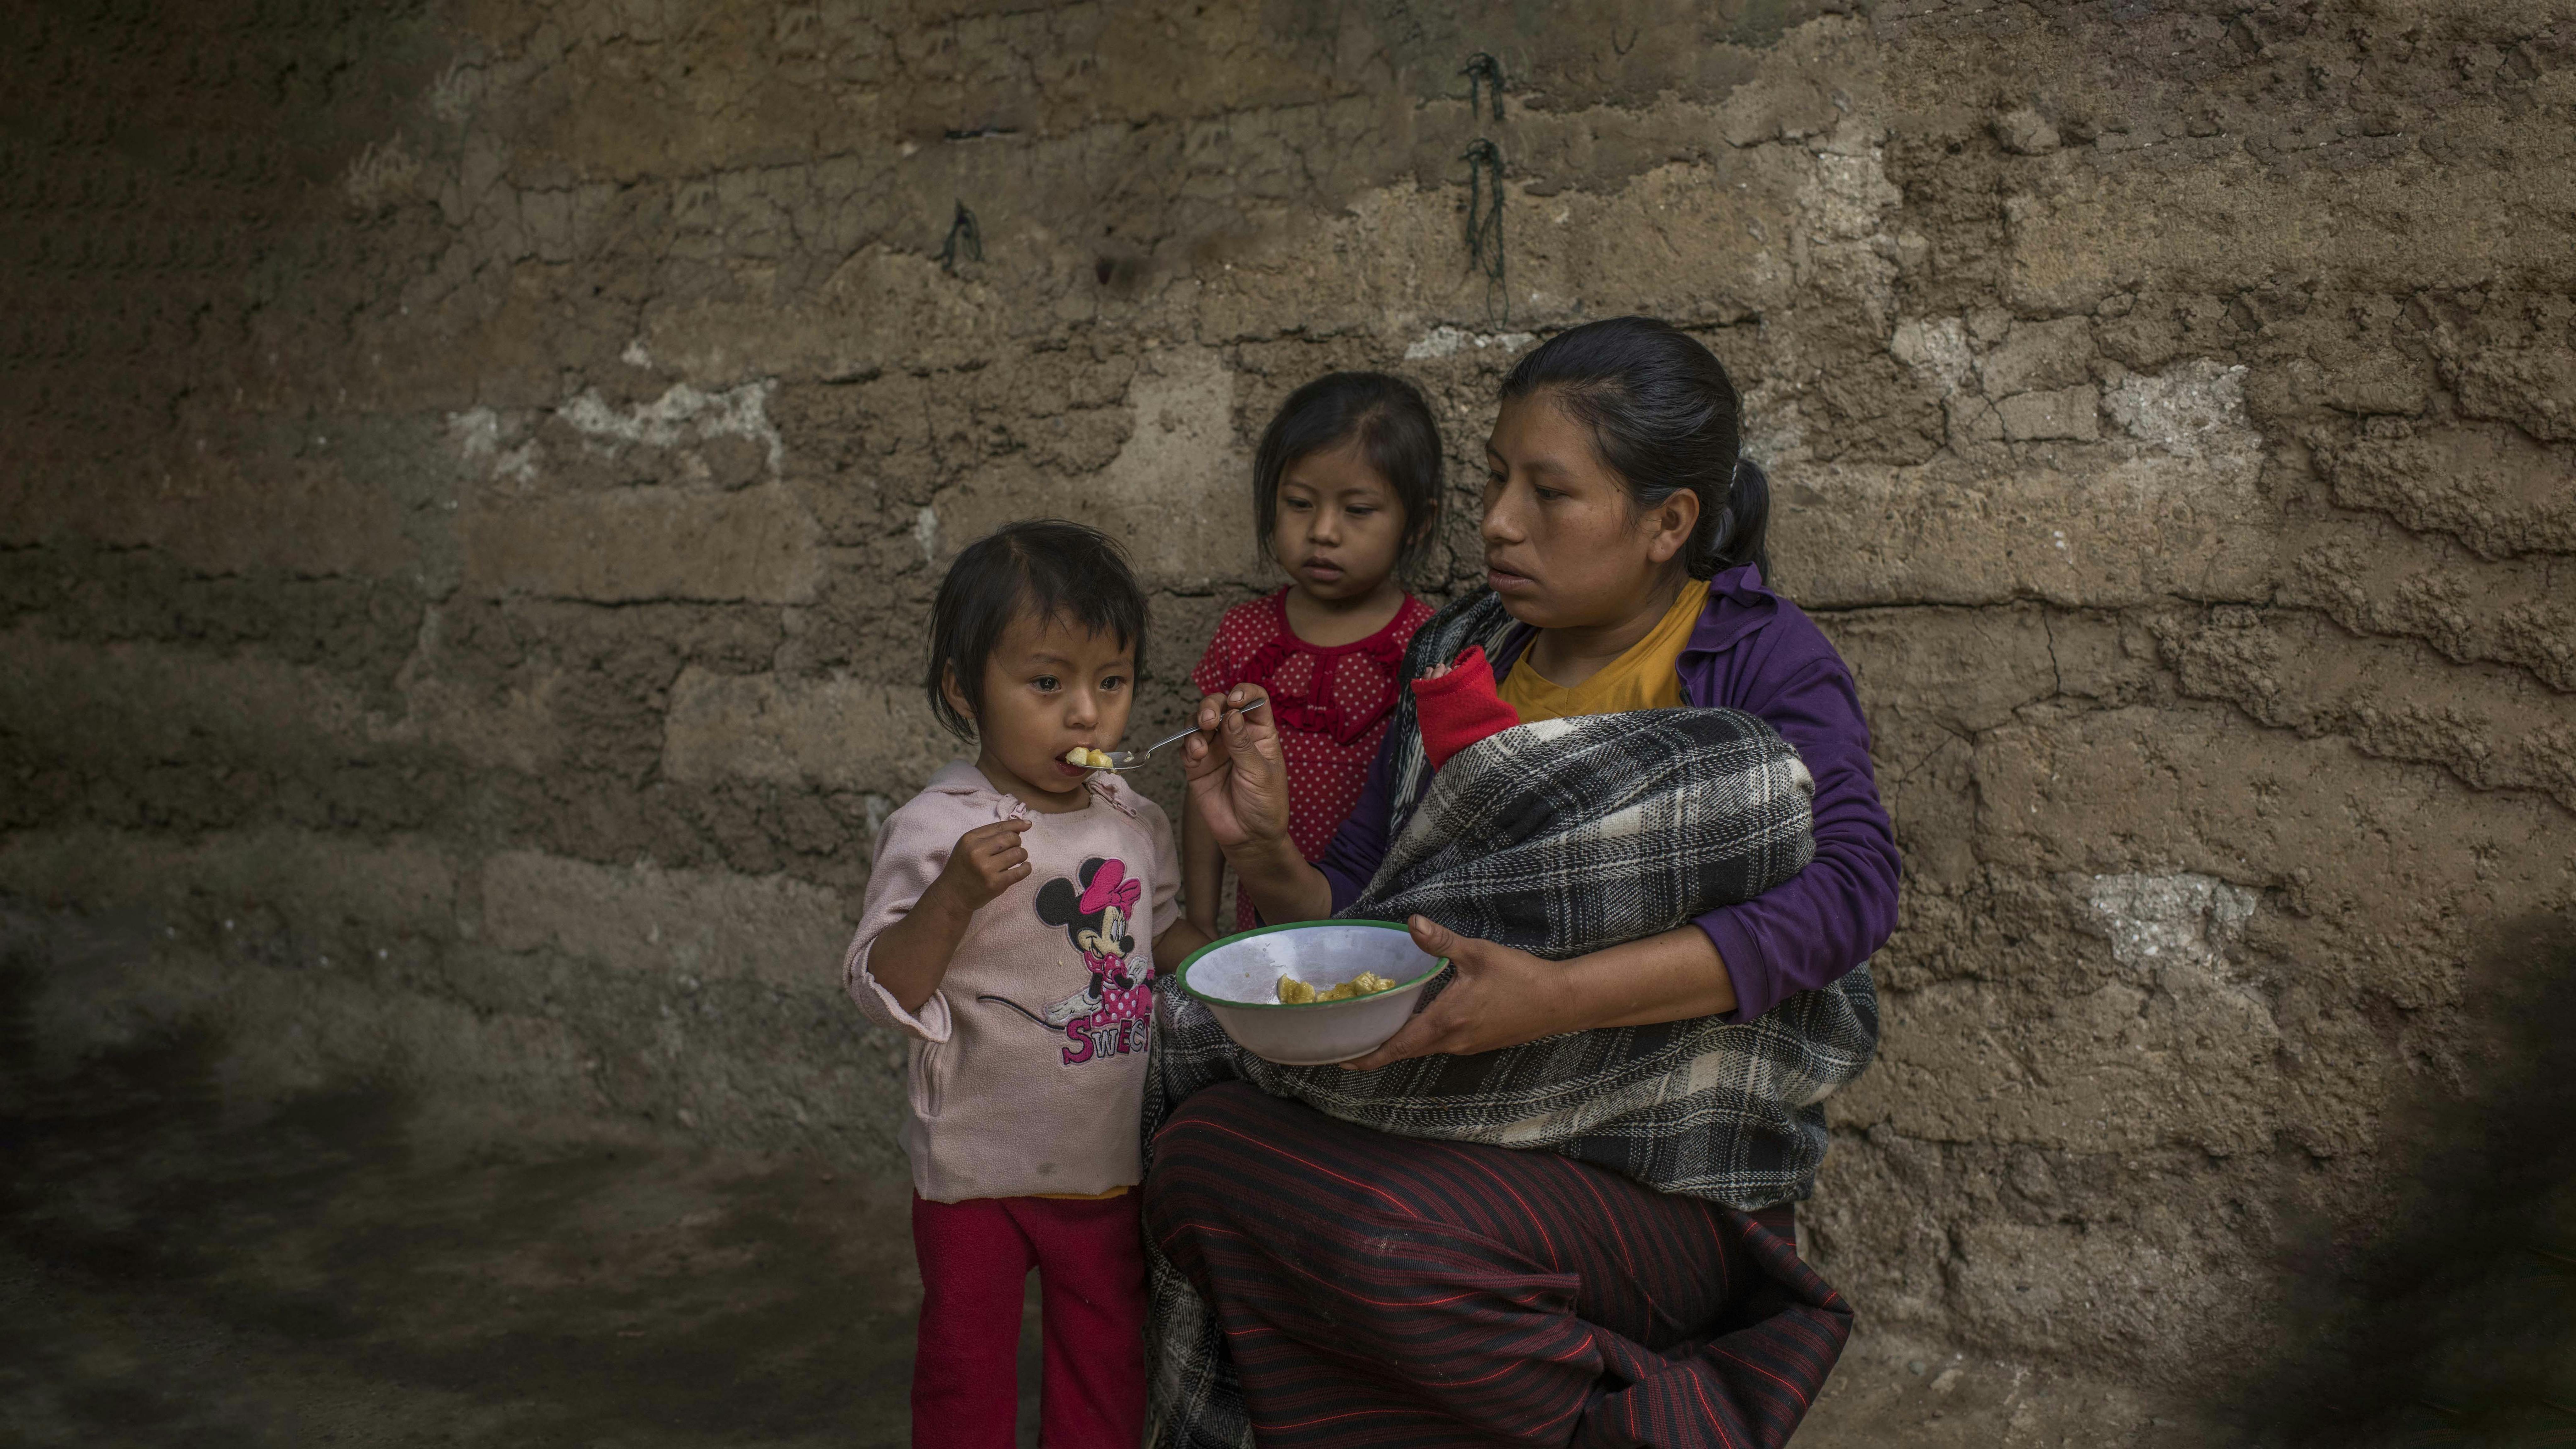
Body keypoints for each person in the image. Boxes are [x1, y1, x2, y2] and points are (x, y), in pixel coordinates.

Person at [1148, 318, 1902, 1447]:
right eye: (1498, 478)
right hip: (1438, 1109)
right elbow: (1362, 918)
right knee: (1197, 1154)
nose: (1498, 520)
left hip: (1653, 1164)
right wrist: (1262, 851)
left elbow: (1854, 892)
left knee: (1382, 1241)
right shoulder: (1460, 650)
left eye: (1548, 492)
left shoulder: (1753, 658)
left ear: (1668, 522)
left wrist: (1558, 998)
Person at [840, 520, 1210, 1449]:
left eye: (1111, 682)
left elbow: (1161, 940)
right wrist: (956, 895)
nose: (1086, 715)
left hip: (1105, 1160)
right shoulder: (937, 829)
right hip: (977, 1170)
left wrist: (1243, 948)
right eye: (1047, 683)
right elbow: (884, 983)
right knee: (967, 1370)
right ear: (966, 690)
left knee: (1106, 1358)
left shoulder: (1134, 820)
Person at [1183, 371, 1441, 937]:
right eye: (1299, 503)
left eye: (1358, 510)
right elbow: (1207, 791)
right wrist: (1200, 926)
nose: (1323, 532)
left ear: (1418, 524)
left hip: (1389, 934)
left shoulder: (1429, 649)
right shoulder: (1244, 637)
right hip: (1264, 935)